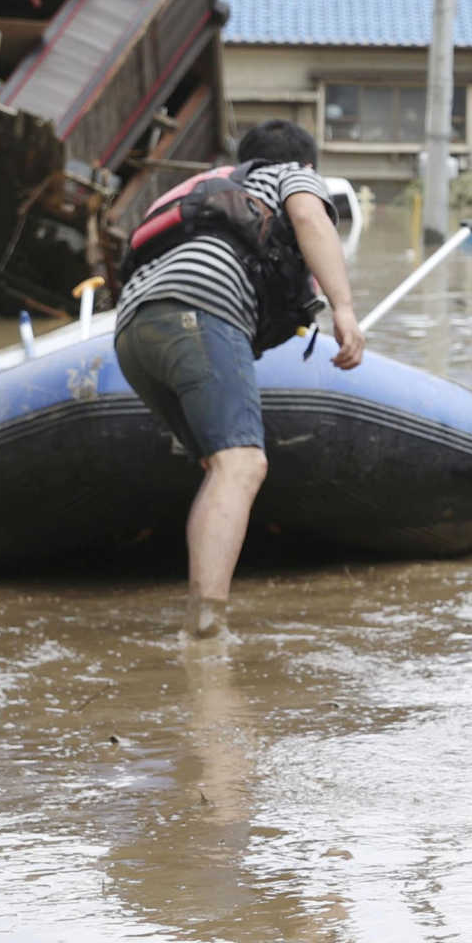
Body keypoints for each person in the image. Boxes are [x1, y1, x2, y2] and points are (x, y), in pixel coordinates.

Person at [114, 119, 365, 637]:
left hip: (133, 328)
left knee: (218, 463)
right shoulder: (292, 175)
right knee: (241, 464)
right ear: (308, 164)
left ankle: (205, 609)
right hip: (201, 309)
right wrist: (343, 307)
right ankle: (206, 628)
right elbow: (308, 218)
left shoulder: (211, 189)